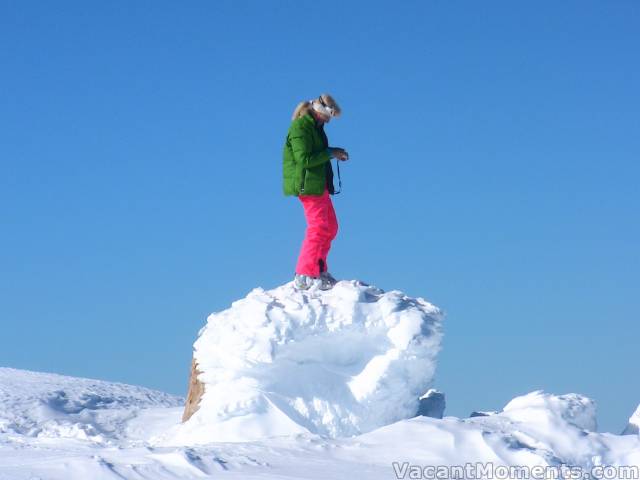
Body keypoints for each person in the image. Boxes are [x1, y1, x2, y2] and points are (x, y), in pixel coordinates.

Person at [282, 94, 349, 290]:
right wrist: (330, 153)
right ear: (320, 112)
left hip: (320, 184)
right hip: (308, 185)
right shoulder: (300, 128)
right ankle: (304, 273)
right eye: (328, 117)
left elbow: (320, 153)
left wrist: (334, 151)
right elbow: (304, 159)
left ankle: (318, 268)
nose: (328, 121)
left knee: (331, 226)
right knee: (318, 227)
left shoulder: (316, 128)